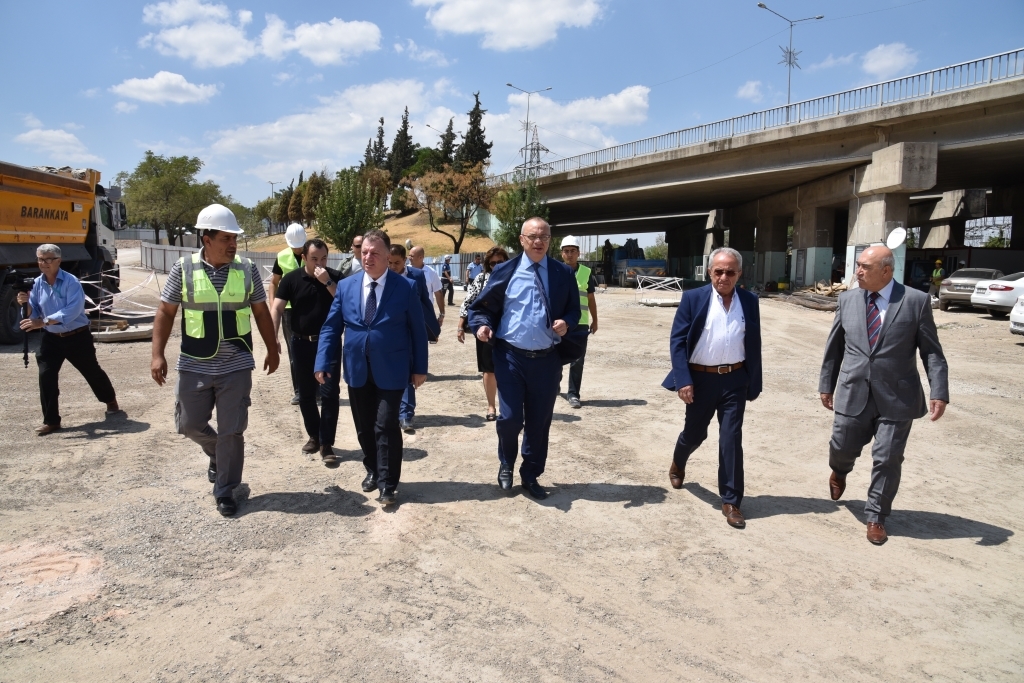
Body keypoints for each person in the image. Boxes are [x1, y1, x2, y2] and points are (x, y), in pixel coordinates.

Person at [151, 204, 280, 517]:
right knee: (188, 424)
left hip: (236, 364)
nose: (233, 244)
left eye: (234, 238)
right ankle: (218, 456)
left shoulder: (246, 269)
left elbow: (261, 311)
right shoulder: (183, 269)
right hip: (194, 363)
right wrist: (157, 354)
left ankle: (225, 489)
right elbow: (166, 311)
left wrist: (272, 347)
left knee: (231, 430)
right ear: (206, 239)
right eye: (226, 238)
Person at [819, 245, 949, 545]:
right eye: (858, 265)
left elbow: (932, 352)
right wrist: (827, 384)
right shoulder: (847, 300)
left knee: (888, 457)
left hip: (898, 396)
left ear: (886, 271)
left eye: (865, 267)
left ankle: (876, 515)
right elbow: (834, 348)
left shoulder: (915, 301)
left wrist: (939, 391)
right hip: (853, 390)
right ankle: (839, 471)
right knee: (841, 446)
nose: (858, 272)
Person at [468, 218, 583, 500]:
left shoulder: (562, 273)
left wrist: (567, 322)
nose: (538, 241)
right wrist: (482, 326)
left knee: (539, 421)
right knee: (509, 418)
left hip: (547, 360)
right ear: (521, 240)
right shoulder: (505, 270)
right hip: (510, 357)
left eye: (544, 236)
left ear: (550, 240)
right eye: (532, 236)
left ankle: (530, 473)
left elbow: (574, 310)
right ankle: (506, 462)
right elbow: (483, 308)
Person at [315, 230, 428, 507]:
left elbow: (417, 330)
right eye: (364, 252)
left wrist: (420, 367)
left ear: (388, 255)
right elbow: (331, 327)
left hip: (392, 368)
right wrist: (322, 361)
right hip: (357, 368)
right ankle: (372, 469)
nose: (368, 257)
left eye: (375, 253)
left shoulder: (405, 287)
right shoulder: (346, 286)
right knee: (364, 426)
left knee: (386, 423)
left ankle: (388, 482)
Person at [662, 247, 762, 530]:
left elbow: (753, 342)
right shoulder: (693, 298)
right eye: (719, 271)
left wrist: (753, 381)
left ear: (739, 274)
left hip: (735, 379)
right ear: (709, 272)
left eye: (730, 272)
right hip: (700, 379)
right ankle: (679, 461)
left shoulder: (749, 301)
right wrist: (683, 380)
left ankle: (731, 501)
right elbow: (677, 341)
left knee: (731, 438)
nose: (724, 277)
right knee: (694, 434)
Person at [17, 244, 120, 435]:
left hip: (76, 336)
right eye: (40, 259)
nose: (43, 263)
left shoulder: (71, 282)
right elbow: (34, 313)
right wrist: (26, 304)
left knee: (92, 371)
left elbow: (72, 311)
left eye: (48, 259)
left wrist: (43, 321)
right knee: (46, 376)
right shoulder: (37, 284)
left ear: (58, 260)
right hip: (51, 338)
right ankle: (51, 421)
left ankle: (110, 400)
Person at [270, 238, 343, 465]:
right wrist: (273, 337)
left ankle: (327, 443)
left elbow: (346, 303)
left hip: (329, 344)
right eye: (314, 259)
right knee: (306, 394)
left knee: (330, 393)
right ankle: (314, 435)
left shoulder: (335, 277)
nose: (319, 263)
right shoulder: (291, 279)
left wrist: (327, 282)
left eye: (323, 258)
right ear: (304, 258)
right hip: (301, 343)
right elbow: (277, 308)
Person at [387, 244, 441, 433]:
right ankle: (391, 411)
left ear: (405, 261)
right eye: (389, 262)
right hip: (389, 332)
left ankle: (406, 414)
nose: (392, 267)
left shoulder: (416, 276)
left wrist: (432, 326)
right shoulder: (381, 275)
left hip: (409, 331)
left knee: (408, 371)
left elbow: (425, 301)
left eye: (397, 263)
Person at [457, 246, 509, 421]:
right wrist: (460, 326)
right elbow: (468, 302)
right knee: (489, 368)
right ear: (487, 264)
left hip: (510, 329)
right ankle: (491, 406)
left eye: (500, 262)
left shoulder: (515, 278)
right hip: (485, 328)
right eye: (492, 263)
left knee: (510, 369)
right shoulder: (481, 279)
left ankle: (509, 407)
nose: (496, 266)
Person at [559, 235, 599, 409]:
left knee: (577, 360)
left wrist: (595, 320)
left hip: (580, 323)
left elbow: (590, 299)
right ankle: (554, 384)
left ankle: (573, 394)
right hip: (559, 323)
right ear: (562, 253)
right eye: (566, 251)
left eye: (573, 251)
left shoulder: (586, 273)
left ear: (578, 253)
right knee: (556, 357)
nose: (569, 254)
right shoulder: (555, 271)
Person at [269, 223, 306, 405]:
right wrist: (273, 305)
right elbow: (273, 282)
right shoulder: (282, 256)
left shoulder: (313, 252)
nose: (298, 249)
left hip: (310, 308)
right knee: (294, 351)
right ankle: (299, 391)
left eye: (300, 246)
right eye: (294, 246)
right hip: (289, 311)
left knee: (315, 349)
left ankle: (316, 390)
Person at [409, 245, 445, 327]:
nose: (409, 258)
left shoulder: (431, 272)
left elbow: (438, 293)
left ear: (420, 257)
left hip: (426, 312)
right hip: (409, 312)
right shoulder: (405, 271)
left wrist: (442, 313)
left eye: (412, 256)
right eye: (409, 255)